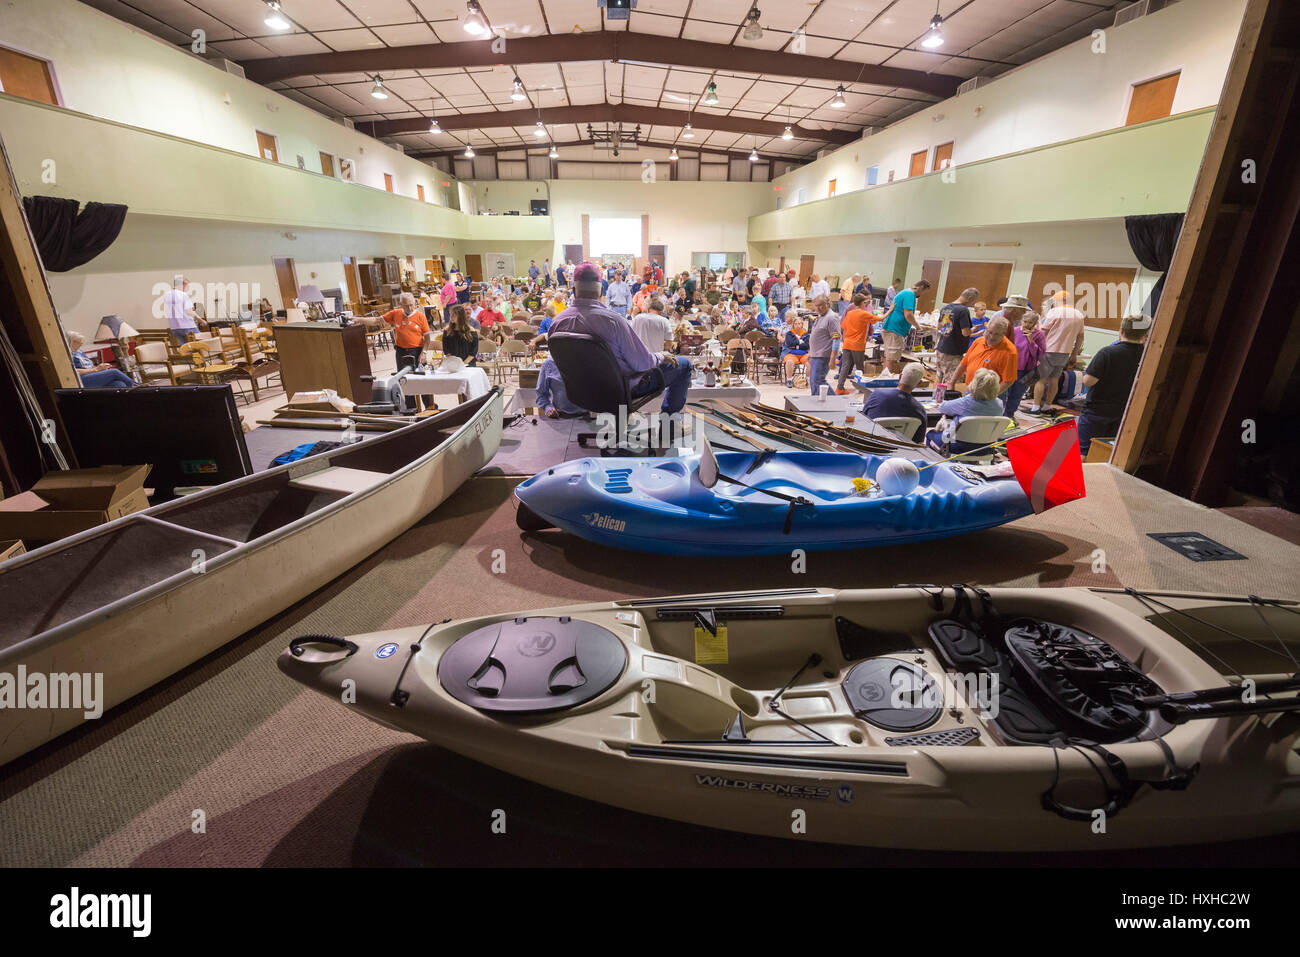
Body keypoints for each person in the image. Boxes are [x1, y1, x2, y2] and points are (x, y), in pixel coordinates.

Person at [550, 262, 693, 415]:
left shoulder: (557, 323)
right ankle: (669, 425)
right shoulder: (614, 322)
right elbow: (642, 364)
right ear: (601, 291)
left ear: (573, 290)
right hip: (620, 391)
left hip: (581, 394)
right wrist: (660, 356)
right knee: (684, 365)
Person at [1075, 314, 1149, 454]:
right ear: (1144, 335)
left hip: (1097, 411)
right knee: (1104, 451)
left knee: (1082, 452)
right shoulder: (1146, 355)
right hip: (1122, 411)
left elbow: (1088, 381)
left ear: (1121, 331)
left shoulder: (1108, 352)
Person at [926, 368, 1005, 454]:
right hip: (985, 448)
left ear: (974, 384)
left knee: (931, 434)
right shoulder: (999, 404)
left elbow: (943, 407)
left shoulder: (966, 403)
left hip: (958, 446)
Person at [1031, 292, 1087, 412]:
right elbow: (1080, 337)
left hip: (1049, 350)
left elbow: (1043, 331)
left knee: (1040, 379)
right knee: (1054, 380)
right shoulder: (1079, 314)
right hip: (1065, 353)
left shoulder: (1055, 312)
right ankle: (1047, 406)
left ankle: (1035, 408)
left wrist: (1035, 346)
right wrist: (1074, 354)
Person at [862, 362, 927, 441]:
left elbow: (862, 420)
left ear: (900, 377)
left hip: (870, 446)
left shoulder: (876, 395)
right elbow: (918, 441)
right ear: (919, 383)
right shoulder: (919, 410)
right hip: (901, 450)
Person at [955, 315, 1018, 395]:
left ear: (1004, 334)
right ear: (986, 329)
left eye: (997, 334)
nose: (992, 337)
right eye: (990, 332)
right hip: (970, 390)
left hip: (990, 395)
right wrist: (952, 382)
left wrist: (990, 397)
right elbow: (963, 364)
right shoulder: (979, 341)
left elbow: (1008, 381)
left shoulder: (1010, 352)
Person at [374, 291, 433, 372]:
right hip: (400, 351)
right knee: (402, 376)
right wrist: (359, 320)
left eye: (411, 305)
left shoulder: (421, 317)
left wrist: (424, 353)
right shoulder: (395, 313)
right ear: (401, 304)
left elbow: (427, 339)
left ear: (415, 302)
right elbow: (376, 320)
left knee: (419, 376)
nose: (409, 308)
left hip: (417, 351)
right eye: (406, 306)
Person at [881, 278, 929, 373]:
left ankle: (885, 378)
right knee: (891, 358)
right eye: (923, 292)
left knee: (890, 357)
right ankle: (886, 380)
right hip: (894, 330)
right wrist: (918, 327)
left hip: (894, 329)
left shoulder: (906, 292)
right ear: (921, 287)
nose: (922, 295)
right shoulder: (910, 294)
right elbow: (908, 315)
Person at [1003, 311, 1046, 416]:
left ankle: (1009, 415)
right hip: (1011, 366)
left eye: (1030, 322)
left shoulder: (1039, 335)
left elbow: (1040, 354)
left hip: (1027, 370)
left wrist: (1031, 341)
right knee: (1004, 392)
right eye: (1025, 321)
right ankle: (998, 414)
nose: (1026, 324)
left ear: (1035, 323)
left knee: (1017, 394)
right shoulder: (1015, 331)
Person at [934, 287, 979, 386]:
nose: (972, 305)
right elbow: (965, 333)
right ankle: (947, 400)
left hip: (941, 347)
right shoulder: (963, 310)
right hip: (953, 351)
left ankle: (935, 398)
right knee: (951, 380)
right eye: (973, 301)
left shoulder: (946, 307)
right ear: (970, 298)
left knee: (939, 376)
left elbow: (940, 327)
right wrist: (973, 330)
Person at [67, 331, 135, 388]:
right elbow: (72, 371)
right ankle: (136, 387)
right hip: (82, 379)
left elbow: (89, 366)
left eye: (81, 343)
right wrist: (95, 369)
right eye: (78, 343)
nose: (80, 345)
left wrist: (100, 367)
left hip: (92, 375)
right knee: (114, 372)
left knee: (119, 384)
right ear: (70, 342)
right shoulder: (67, 355)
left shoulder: (80, 352)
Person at [837, 294, 873, 393]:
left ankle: (839, 387)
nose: (868, 303)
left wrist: (870, 332)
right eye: (866, 301)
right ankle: (862, 388)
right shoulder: (856, 310)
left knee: (846, 364)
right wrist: (891, 309)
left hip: (850, 342)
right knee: (859, 366)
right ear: (862, 302)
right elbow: (879, 319)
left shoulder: (856, 311)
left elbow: (843, 326)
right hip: (857, 344)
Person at [807, 295, 841, 395]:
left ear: (828, 304)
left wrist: (832, 358)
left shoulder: (831, 317)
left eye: (821, 305)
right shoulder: (821, 316)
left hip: (823, 356)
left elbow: (836, 339)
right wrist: (811, 352)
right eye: (816, 306)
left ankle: (836, 402)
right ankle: (817, 403)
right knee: (813, 382)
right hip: (815, 355)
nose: (818, 308)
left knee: (818, 381)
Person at [163, 274, 199, 346]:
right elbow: (189, 311)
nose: (187, 288)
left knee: (186, 348)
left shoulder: (167, 294)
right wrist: (201, 320)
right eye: (187, 285)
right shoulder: (183, 294)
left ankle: (189, 357)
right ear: (182, 285)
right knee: (200, 346)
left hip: (175, 327)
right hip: (188, 326)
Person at [782, 318, 810, 387]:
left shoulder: (806, 335)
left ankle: (807, 380)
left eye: (799, 324)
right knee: (789, 362)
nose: (797, 325)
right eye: (796, 324)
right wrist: (800, 342)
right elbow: (789, 344)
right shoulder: (789, 334)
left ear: (802, 325)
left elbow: (807, 345)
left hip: (803, 353)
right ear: (793, 325)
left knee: (811, 362)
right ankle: (789, 380)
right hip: (790, 353)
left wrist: (796, 345)